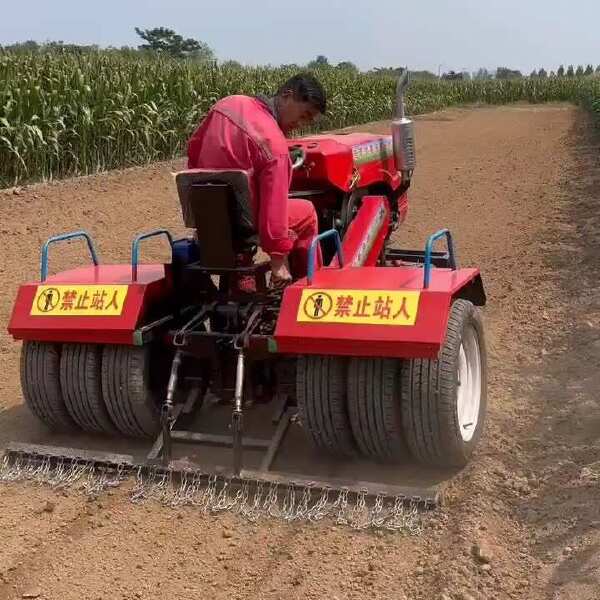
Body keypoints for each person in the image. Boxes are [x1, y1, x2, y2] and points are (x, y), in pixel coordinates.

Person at [186, 73, 326, 287]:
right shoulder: (275, 145)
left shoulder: (227, 104)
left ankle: (241, 265)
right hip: (247, 220)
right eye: (304, 115)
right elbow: (273, 210)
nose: (302, 124)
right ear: (287, 95)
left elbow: (194, 147)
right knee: (307, 213)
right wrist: (278, 260)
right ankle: (310, 286)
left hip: (210, 213)